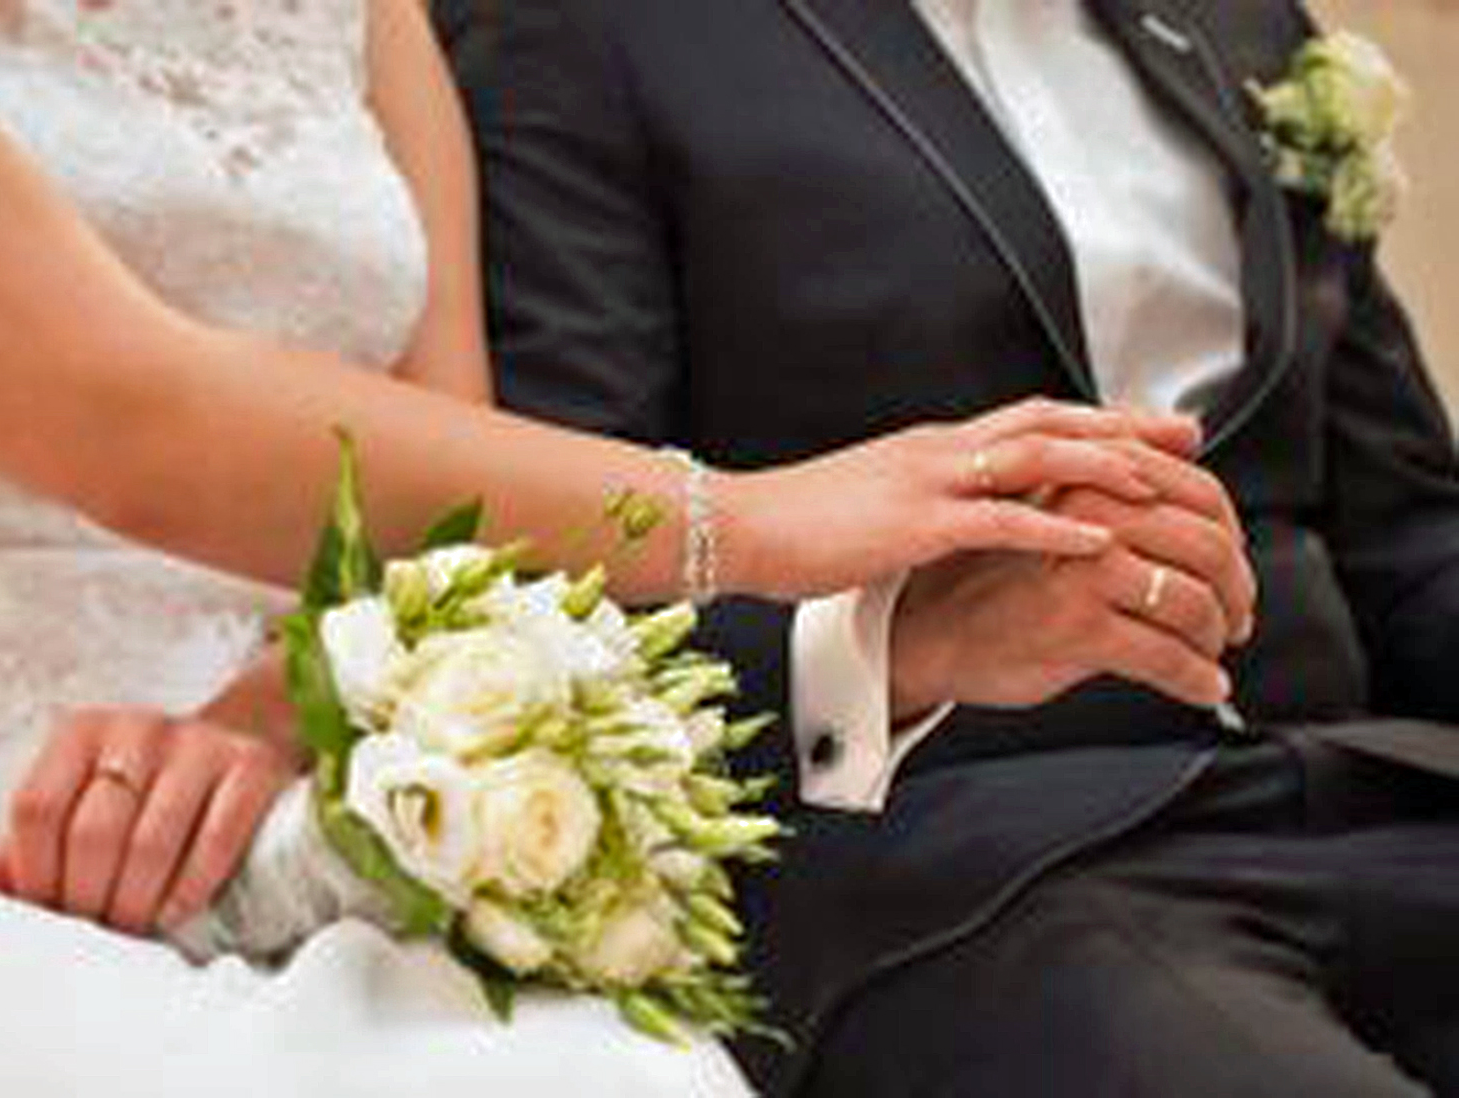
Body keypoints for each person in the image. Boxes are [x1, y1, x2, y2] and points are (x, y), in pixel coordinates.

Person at [0, 1, 1192, 1094]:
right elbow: (113, 412)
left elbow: (430, 488)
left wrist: (273, 715)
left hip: (284, 780)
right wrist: (757, 521)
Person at [438, 0, 1459, 1094]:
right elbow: (564, 599)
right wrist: (886, 641)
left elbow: (1403, 528)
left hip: (1377, 795)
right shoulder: (585, 33)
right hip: (976, 870)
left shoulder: (1241, 22)